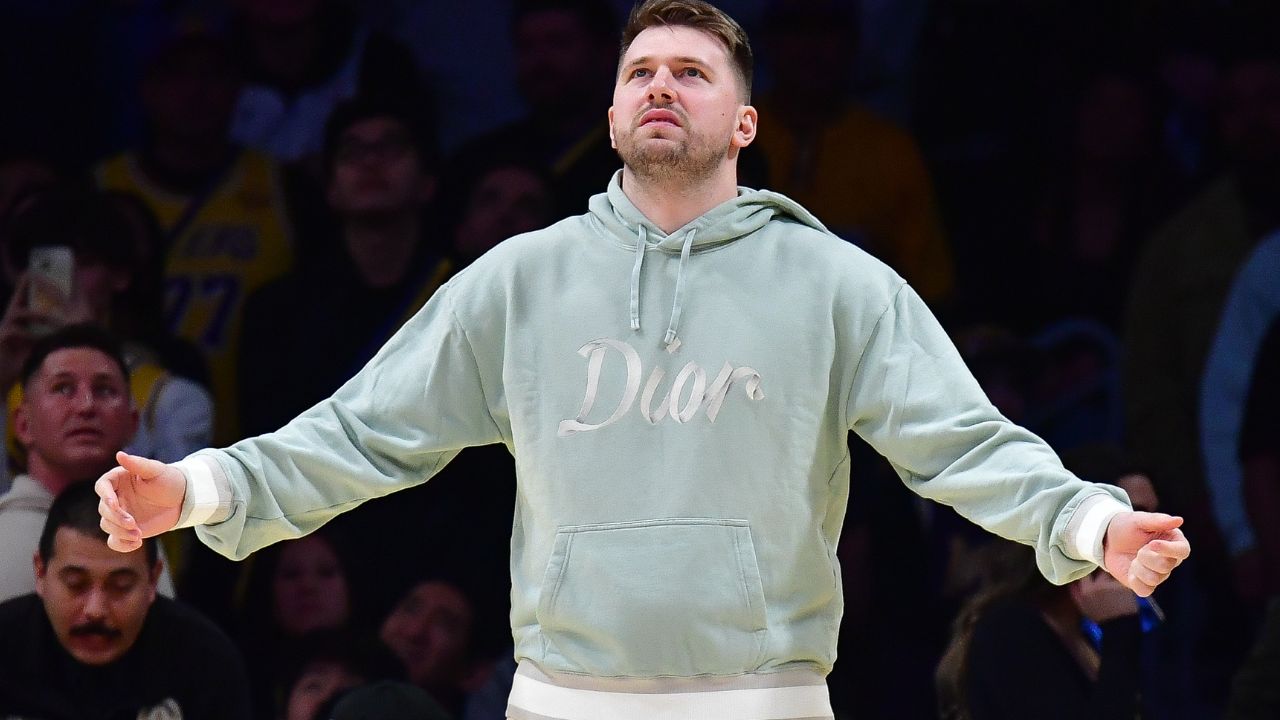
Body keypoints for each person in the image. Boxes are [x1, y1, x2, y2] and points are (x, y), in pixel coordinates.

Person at [96, 2, 1191, 718]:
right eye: (640, 71)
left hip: (761, 695)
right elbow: (360, 434)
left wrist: (1089, 521)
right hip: (565, 694)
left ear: (746, 121)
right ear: (613, 110)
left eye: (692, 72)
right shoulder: (518, 279)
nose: (661, 85)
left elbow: (961, 444)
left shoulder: (833, 283)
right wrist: (197, 486)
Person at [0, 482, 250, 719]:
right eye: (76, 584)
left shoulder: (204, 663)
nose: (95, 610)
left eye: (120, 587)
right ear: (41, 572)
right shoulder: (6, 645)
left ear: (153, 580)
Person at [0, 324, 175, 603]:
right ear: (23, 424)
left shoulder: (143, 536)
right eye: (63, 388)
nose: (86, 406)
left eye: (105, 390)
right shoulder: (5, 536)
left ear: (132, 424)